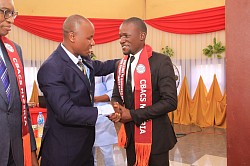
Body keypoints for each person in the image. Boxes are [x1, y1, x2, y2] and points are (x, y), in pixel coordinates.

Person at [37, 14, 118, 166]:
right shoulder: (52, 68)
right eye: (89, 38)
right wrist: (104, 109)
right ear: (72, 36)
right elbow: (66, 112)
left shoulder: (84, 59)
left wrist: (125, 62)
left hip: (85, 148)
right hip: (64, 153)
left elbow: (102, 66)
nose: (93, 42)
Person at [109, 17, 177, 166]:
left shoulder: (161, 62)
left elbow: (170, 101)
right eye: (120, 36)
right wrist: (116, 108)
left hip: (156, 138)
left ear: (142, 36)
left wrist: (132, 115)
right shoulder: (120, 65)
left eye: (126, 35)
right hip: (131, 137)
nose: (121, 40)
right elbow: (116, 94)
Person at [0, 0, 38, 166]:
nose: (11, 20)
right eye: (5, 12)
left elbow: (22, 104)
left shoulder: (15, 50)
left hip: (15, 150)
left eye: (13, 14)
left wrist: (31, 149)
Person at [92, 73, 118, 166]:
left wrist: (93, 99)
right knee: (89, 156)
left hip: (103, 118)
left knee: (107, 155)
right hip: (87, 117)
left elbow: (111, 94)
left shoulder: (104, 72)